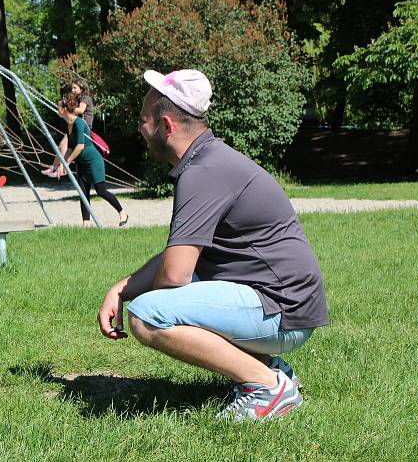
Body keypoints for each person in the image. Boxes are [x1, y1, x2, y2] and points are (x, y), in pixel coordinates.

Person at [97, 69, 328, 421]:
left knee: (146, 316)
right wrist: (121, 288)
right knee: (159, 299)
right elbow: (179, 257)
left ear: (167, 126)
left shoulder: (203, 171)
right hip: (284, 303)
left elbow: (174, 274)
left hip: (283, 310)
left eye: (144, 121)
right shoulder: (208, 160)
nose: (140, 130)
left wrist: (145, 297)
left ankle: (268, 385)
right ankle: (269, 366)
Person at [57, 92, 128, 227]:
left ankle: (122, 212)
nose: (57, 109)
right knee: (83, 194)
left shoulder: (79, 123)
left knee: (101, 191)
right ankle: (86, 224)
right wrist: (61, 164)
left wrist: (67, 162)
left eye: (59, 106)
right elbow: (70, 148)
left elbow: (80, 146)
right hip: (81, 164)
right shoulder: (69, 124)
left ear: (65, 108)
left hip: (93, 162)